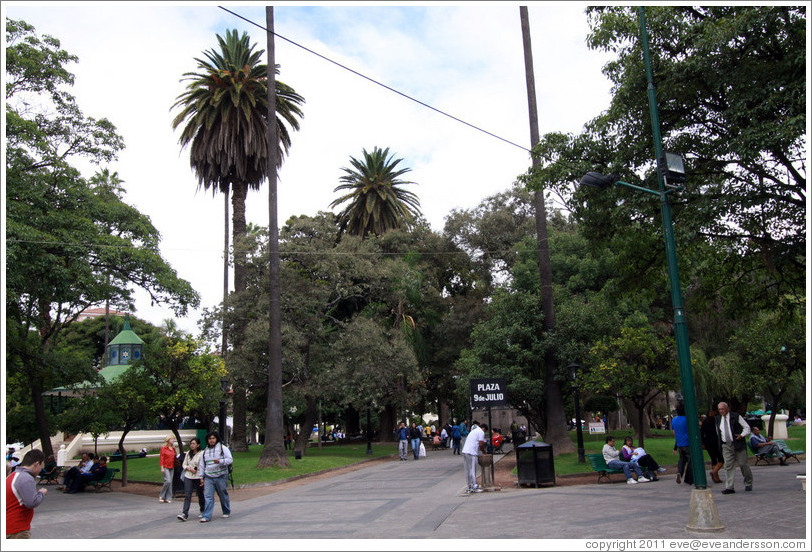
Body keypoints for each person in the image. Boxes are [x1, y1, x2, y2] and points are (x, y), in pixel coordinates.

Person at [6, 450, 49, 539]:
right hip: (17, 529)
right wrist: (42, 493)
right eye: (41, 466)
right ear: (36, 464)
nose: (41, 470)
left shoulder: (13, 475)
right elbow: (31, 502)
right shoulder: (26, 478)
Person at [715, 401, 753, 494]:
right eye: (719, 409)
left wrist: (741, 435)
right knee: (728, 465)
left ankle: (748, 482)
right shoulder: (718, 419)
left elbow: (747, 428)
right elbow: (718, 431)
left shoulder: (736, 416)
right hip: (726, 445)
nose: (721, 411)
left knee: (743, 464)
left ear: (727, 409)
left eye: (723, 409)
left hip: (737, 444)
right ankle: (729, 486)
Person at [200, 431, 232, 522]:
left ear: (216, 439)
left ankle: (226, 510)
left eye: (213, 438)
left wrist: (220, 461)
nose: (211, 440)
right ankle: (206, 516)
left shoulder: (223, 448)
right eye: (210, 439)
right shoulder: (205, 451)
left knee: (222, 494)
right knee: (208, 496)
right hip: (209, 477)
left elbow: (230, 459)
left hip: (221, 476)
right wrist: (201, 477)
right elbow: (202, 465)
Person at [177, 437, 205, 521]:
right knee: (188, 494)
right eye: (191, 444)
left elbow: (202, 465)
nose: (192, 445)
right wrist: (188, 468)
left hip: (197, 476)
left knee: (200, 494)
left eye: (194, 444)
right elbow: (184, 464)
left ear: (198, 445)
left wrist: (201, 476)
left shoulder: (201, 453)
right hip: (188, 476)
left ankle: (203, 509)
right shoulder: (188, 453)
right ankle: (185, 513)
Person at [461, 421, 488, 493]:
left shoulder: (474, 431)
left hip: (465, 451)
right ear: (484, 428)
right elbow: (481, 444)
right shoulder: (481, 432)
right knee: (472, 469)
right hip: (471, 452)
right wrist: (484, 452)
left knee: (467, 470)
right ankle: (474, 486)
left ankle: (469, 486)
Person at [700, 409, 724, 483]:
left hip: (708, 443)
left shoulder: (705, 422)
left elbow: (701, 433)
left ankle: (716, 476)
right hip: (716, 442)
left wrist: (703, 443)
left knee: (713, 459)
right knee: (721, 459)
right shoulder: (716, 422)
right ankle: (714, 472)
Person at [672, 403, 693, 485]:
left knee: (682, 460)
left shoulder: (674, 420)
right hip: (688, 442)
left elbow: (674, 433)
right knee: (690, 461)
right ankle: (689, 478)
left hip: (680, 443)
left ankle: (679, 472)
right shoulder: (688, 419)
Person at [159, 435, 178, 503]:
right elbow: (161, 458)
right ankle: (162, 495)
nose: (173, 440)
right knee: (168, 481)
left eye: (173, 439)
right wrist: (162, 467)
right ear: (168, 440)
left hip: (171, 466)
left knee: (170, 482)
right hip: (165, 466)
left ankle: (168, 497)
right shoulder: (164, 448)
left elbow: (175, 456)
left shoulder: (173, 448)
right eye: (172, 439)